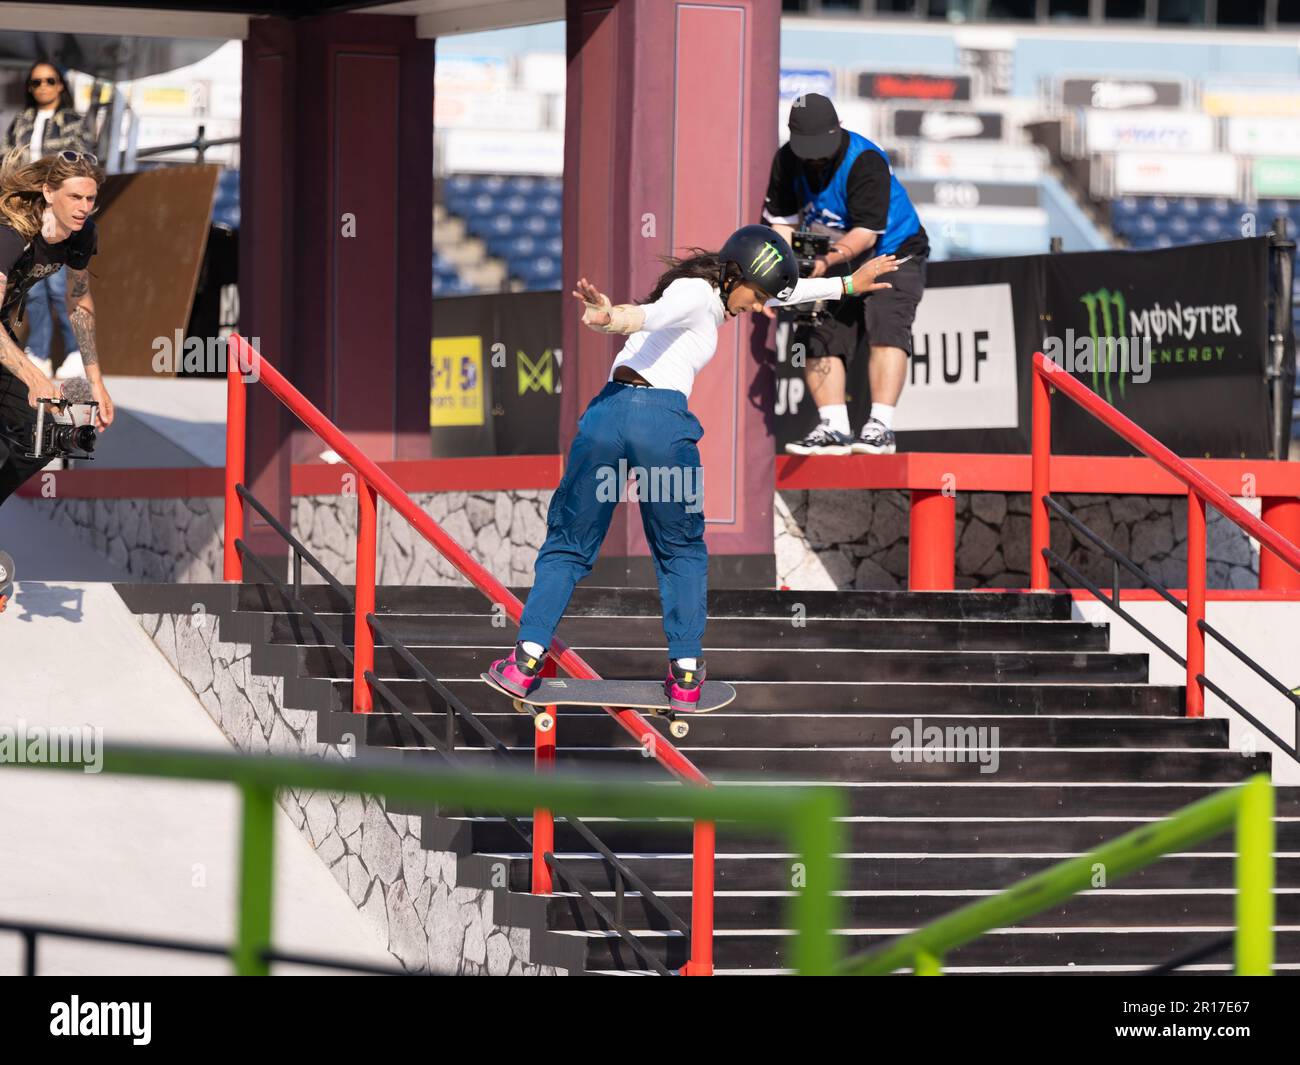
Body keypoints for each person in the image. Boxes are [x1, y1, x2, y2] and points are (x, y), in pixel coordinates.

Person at [488, 225, 898, 707]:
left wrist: (848, 285)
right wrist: (607, 317)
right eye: (755, 295)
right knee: (680, 548)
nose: (758, 306)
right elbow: (647, 315)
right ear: (731, 275)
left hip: (606, 423)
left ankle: (524, 663)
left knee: (569, 543)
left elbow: (788, 292)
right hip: (660, 428)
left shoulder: (719, 297)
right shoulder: (695, 292)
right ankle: (685, 675)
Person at [763, 93, 928, 456]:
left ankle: (880, 427)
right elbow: (782, 224)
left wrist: (830, 259)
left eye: (822, 147)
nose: (816, 157)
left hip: (893, 249)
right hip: (831, 257)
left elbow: (866, 233)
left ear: (837, 132)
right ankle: (833, 426)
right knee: (815, 325)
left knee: (886, 320)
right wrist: (786, 272)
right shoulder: (786, 160)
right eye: (808, 148)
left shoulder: (865, 160)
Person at [0, 150, 114, 512]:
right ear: (49, 192)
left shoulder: (81, 235)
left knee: (48, 435)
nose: (83, 207)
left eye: (90, 198)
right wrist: (34, 375)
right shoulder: (12, 232)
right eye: (74, 197)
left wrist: (95, 380)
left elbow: (78, 301)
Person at [1, 60, 94, 382]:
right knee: (35, 290)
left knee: (60, 287)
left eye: (49, 80)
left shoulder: (71, 120)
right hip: (30, 210)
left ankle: (73, 353)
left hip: (56, 211)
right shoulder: (22, 120)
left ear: (60, 86)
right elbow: (7, 158)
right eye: (36, 82)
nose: (42, 87)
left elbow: (79, 160)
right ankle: (38, 351)